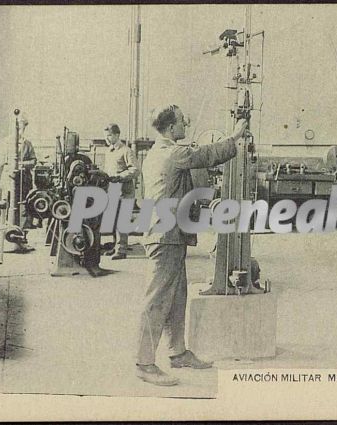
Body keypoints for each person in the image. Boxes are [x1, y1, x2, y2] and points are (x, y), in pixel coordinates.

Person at [136, 105, 248, 386]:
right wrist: (234, 137)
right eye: (182, 122)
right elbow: (204, 155)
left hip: (170, 233)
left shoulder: (157, 152)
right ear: (172, 128)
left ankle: (177, 353)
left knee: (177, 297)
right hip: (165, 236)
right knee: (158, 299)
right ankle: (144, 363)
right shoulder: (172, 152)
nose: (186, 124)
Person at [102, 123, 139, 260]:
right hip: (112, 192)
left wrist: (120, 177)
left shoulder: (126, 151)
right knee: (113, 219)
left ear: (117, 135)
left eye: (109, 135)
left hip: (125, 192)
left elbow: (135, 170)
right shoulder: (108, 151)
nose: (107, 138)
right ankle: (115, 247)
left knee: (121, 221)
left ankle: (121, 250)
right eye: (105, 136)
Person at [0, 113, 37, 230]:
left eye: (24, 126)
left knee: (24, 206)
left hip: (24, 180)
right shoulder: (4, 142)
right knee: (8, 204)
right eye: (19, 125)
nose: (21, 129)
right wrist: (11, 165)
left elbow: (34, 161)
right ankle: (8, 230)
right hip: (9, 179)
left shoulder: (27, 143)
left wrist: (21, 164)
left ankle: (22, 232)